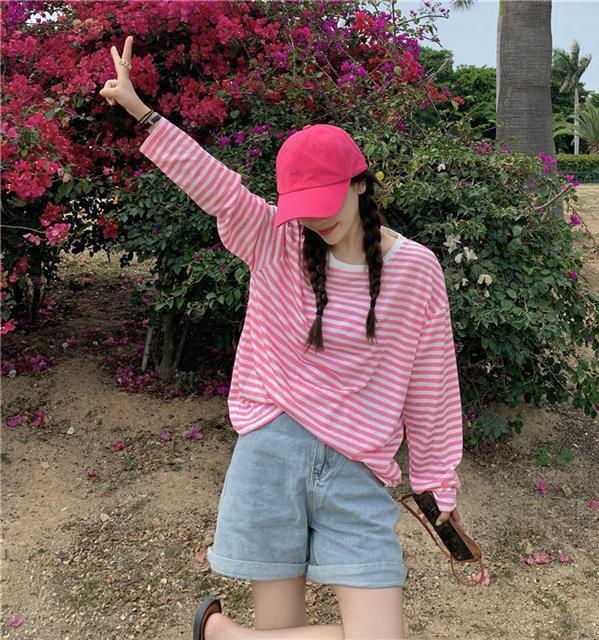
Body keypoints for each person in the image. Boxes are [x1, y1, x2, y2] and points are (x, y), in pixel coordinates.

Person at [100, 36, 464, 640]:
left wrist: (436, 483)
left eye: (327, 200)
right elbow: (216, 186)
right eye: (304, 205)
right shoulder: (275, 238)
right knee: (283, 625)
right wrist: (142, 112)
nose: (316, 217)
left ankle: (225, 636)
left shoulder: (416, 270)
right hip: (271, 452)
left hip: (358, 470)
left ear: (361, 184)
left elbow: (433, 384)